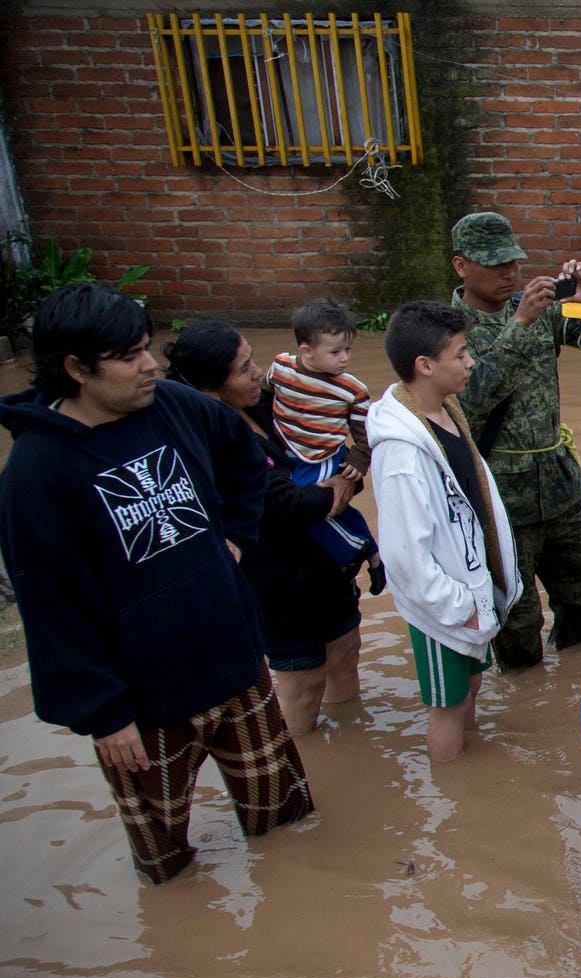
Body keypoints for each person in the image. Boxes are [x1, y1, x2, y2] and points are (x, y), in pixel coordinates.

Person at [0, 283, 313, 883]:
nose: (150, 364)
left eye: (147, 348)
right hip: (144, 709)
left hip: (238, 667)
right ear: (75, 369)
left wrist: (236, 539)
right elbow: (52, 606)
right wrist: (105, 714)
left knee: (289, 825)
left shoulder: (172, 404)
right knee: (166, 865)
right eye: (128, 355)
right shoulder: (36, 474)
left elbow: (248, 463)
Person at [451, 211, 581, 669]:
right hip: (497, 491)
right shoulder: (447, 329)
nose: (508, 272)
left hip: (558, 482)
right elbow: (473, 396)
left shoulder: (546, 312)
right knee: (516, 617)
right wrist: (519, 324)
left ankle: (573, 674)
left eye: (512, 261)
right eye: (493, 264)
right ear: (461, 266)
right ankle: (523, 695)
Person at [164, 320, 365, 736]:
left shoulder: (268, 406)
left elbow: (327, 448)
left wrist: (346, 473)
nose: (259, 372)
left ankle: (353, 740)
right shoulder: (207, 435)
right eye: (243, 368)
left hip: (323, 564)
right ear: (208, 385)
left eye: (253, 359)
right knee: (303, 680)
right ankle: (306, 762)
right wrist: (339, 486)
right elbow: (282, 504)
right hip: (277, 580)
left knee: (345, 650)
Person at [368, 301, 523, 763]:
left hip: (469, 586)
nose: (470, 361)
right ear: (425, 365)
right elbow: (404, 556)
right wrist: (457, 607)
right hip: (444, 604)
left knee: (472, 686)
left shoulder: (446, 411)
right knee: (448, 706)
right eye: (460, 354)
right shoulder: (401, 453)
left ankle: (475, 779)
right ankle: (456, 801)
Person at [268, 298, 384, 593]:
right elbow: (264, 394)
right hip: (289, 453)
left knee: (308, 508)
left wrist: (358, 461)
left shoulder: (352, 389)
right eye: (335, 352)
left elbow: (366, 432)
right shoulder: (281, 367)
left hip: (325, 457)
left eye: (347, 349)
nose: (344, 358)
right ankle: (373, 554)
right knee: (336, 512)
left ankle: (351, 552)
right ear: (306, 350)